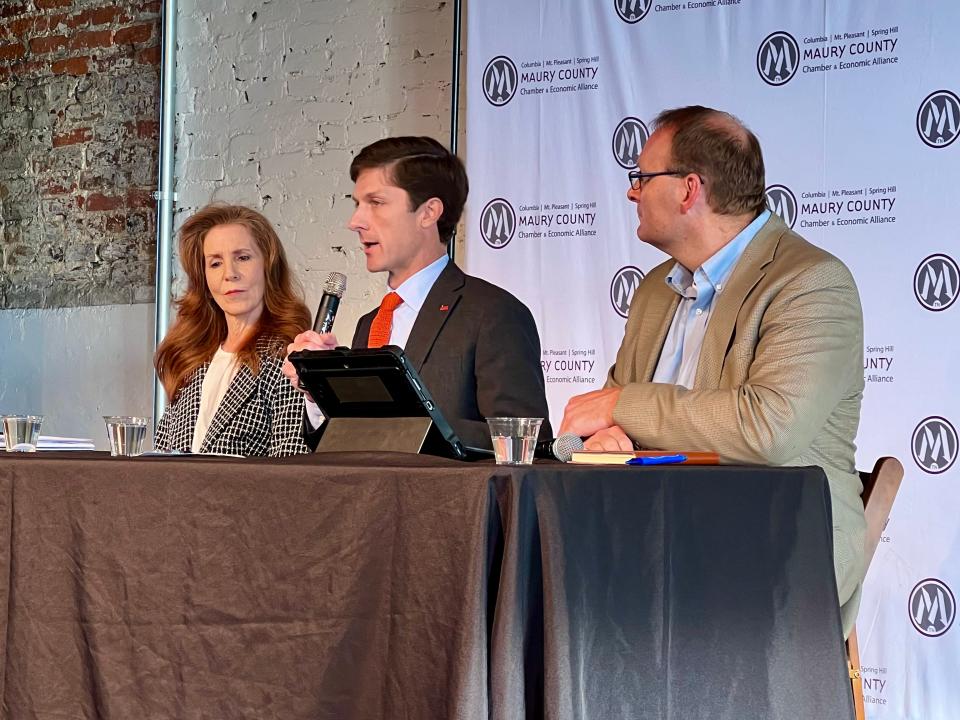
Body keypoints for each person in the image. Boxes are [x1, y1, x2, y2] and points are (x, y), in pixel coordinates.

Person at [559, 106, 866, 635]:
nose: (632, 192)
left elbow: (769, 430)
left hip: (775, 548)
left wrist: (618, 407)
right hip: (652, 538)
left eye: (640, 178)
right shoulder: (656, 287)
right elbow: (588, 428)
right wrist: (599, 438)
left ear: (688, 189)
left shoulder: (811, 283)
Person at [282, 136, 551, 450]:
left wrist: (409, 425)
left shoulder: (493, 313)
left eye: (376, 203)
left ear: (428, 212)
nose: (355, 221)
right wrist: (319, 392)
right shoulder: (369, 324)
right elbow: (356, 444)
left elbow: (524, 442)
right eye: (357, 205)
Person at [154, 204, 312, 457]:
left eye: (243, 258)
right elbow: (160, 462)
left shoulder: (288, 360)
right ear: (203, 278)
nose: (230, 274)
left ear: (268, 267)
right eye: (215, 263)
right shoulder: (191, 360)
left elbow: (290, 471)